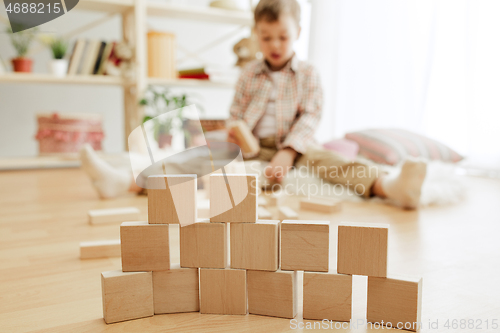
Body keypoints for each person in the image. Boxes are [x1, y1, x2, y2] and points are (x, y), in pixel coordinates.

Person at [81, 0, 427, 209]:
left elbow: (311, 117)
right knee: (194, 160)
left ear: (298, 34)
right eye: (266, 37)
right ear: (255, 34)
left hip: (297, 147)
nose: (274, 44)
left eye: (283, 37)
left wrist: (287, 153)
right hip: (249, 149)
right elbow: (235, 115)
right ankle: (124, 182)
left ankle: (391, 187)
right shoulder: (249, 74)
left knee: (334, 163)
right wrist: (236, 136)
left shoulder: (308, 74)